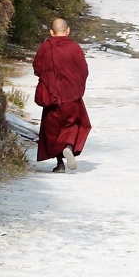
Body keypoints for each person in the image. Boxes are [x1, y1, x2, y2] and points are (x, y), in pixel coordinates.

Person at [33, 17, 90, 173]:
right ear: (68, 31)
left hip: (53, 98)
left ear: (51, 32)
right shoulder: (75, 48)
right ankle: (68, 146)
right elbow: (83, 71)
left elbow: (37, 67)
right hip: (71, 97)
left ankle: (60, 164)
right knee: (72, 126)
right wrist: (76, 88)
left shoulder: (46, 47)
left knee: (53, 131)